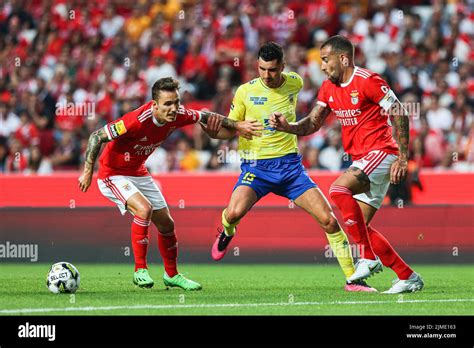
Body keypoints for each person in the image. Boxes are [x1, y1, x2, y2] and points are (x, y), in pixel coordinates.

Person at [203, 42, 375, 292]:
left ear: (282, 67)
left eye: (272, 70)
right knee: (232, 214)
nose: (266, 75)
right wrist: (222, 131)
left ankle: (353, 279)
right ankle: (226, 232)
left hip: (291, 168)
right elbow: (228, 131)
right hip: (256, 167)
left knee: (328, 220)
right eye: (261, 69)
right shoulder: (244, 91)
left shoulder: (295, 82)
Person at [270, 35, 424, 294]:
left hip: (381, 152)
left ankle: (368, 258)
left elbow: (399, 112)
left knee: (337, 190)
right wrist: (289, 127)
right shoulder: (329, 88)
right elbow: (313, 122)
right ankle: (407, 276)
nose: (321, 66)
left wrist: (403, 157)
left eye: (325, 60)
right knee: (361, 227)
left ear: (343, 59)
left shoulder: (368, 80)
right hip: (361, 159)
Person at [78, 77, 258, 290]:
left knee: (167, 224)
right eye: (168, 104)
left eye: (177, 102)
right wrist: (88, 172)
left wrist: (237, 125)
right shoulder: (136, 120)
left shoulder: (179, 115)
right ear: (155, 105)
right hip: (112, 174)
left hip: (138, 172)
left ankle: (171, 275)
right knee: (143, 209)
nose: (174, 108)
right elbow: (96, 136)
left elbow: (206, 116)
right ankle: (140, 270)